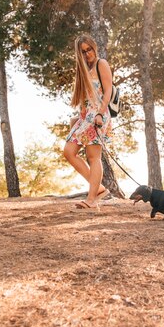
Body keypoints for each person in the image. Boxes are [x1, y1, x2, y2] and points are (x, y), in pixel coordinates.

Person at [63, 34, 113, 209]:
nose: (87, 54)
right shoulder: (82, 69)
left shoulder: (102, 64)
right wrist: (79, 117)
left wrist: (99, 114)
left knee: (93, 157)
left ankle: (92, 199)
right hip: (84, 117)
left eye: (89, 50)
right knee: (69, 152)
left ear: (94, 47)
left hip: (99, 114)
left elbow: (108, 92)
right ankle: (98, 188)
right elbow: (84, 97)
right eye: (83, 52)